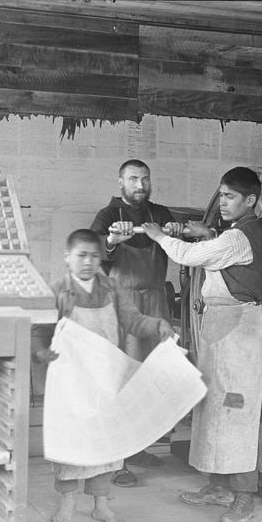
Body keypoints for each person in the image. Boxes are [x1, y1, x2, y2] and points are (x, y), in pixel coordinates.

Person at [140, 166, 262, 522]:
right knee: (214, 405)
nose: (223, 202)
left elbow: (191, 257)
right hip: (221, 325)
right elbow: (221, 252)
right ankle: (218, 486)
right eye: (222, 195)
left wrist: (157, 236)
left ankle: (243, 496)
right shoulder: (234, 234)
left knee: (236, 409)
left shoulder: (240, 238)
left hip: (238, 331)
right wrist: (208, 232)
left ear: (251, 200)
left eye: (229, 197)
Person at [31, 229, 175, 522]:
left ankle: (101, 505)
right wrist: (41, 352)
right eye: (81, 255)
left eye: (94, 256)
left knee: (107, 442)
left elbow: (133, 320)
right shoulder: (58, 290)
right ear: (67, 257)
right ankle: (68, 501)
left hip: (105, 379)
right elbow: (39, 330)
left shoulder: (112, 289)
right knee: (72, 443)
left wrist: (157, 323)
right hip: (70, 383)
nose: (88, 262)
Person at [90, 159, 184, 486]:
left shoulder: (160, 214)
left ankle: (138, 447)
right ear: (121, 183)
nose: (140, 185)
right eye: (133, 179)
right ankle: (116, 459)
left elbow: (181, 244)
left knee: (151, 378)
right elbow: (92, 249)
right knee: (121, 378)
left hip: (157, 301)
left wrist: (174, 232)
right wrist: (113, 240)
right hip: (124, 305)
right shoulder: (107, 216)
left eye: (144, 179)